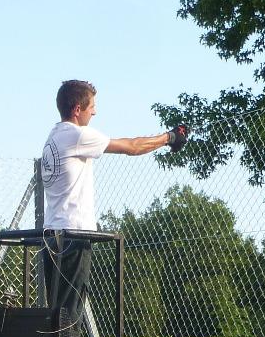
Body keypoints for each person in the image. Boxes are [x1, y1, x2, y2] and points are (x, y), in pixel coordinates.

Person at [39, 80, 185, 231]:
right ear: (77, 109)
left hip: (52, 232)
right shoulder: (78, 135)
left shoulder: (54, 135)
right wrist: (169, 137)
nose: (94, 112)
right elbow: (132, 147)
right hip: (75, 232)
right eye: (91, 107)